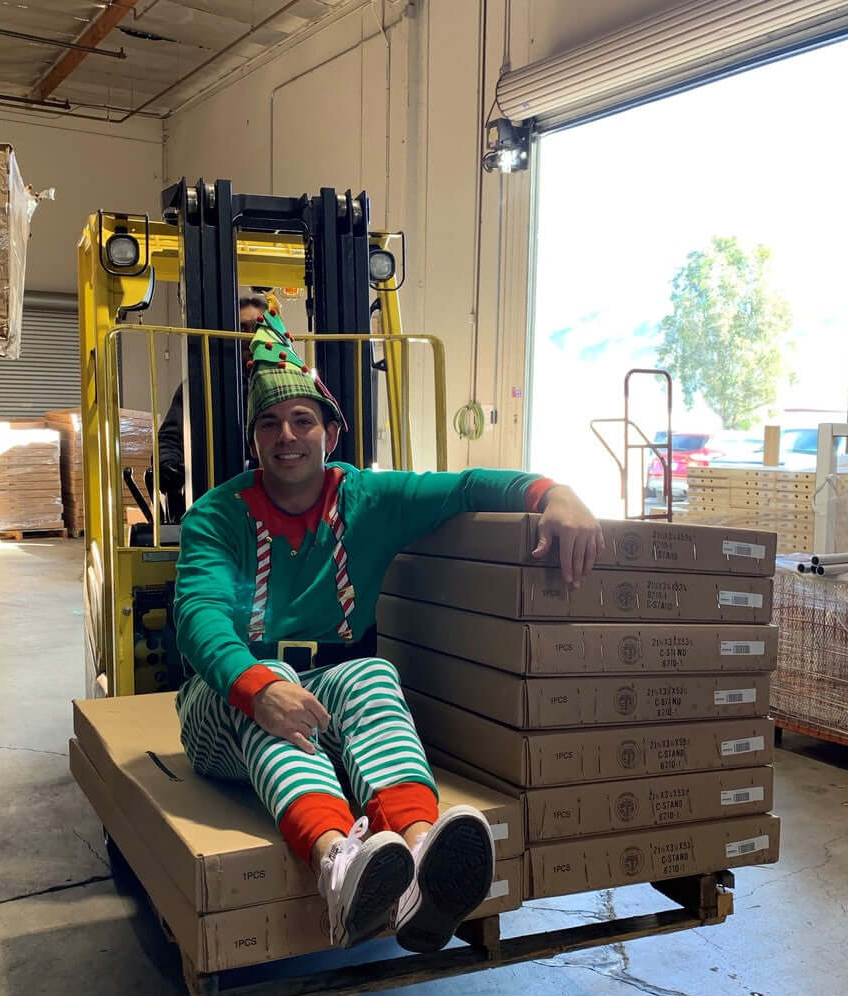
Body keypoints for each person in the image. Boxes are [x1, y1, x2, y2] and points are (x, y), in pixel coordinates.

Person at [173, 301, 603, 953]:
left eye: (301, 420)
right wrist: (257, 686)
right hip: (223, 705)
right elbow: (200, 614)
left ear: (330, 433)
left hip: (325, 683)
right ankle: (338, 866)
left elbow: (465, 488)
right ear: (254, 440)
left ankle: (422, 858)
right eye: (269, 424)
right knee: (279, 686)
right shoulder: (217, 515)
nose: (286, 436)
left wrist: (555, 494)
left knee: (372, 672)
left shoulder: (368, 499)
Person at [157, 295, 270, 519]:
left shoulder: (288, 384)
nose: (249, 336)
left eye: (256, 328)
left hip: (274, 494)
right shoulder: (201, 386)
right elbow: (169, 438)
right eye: (241, 328)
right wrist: (167, 464)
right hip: (214, 494)